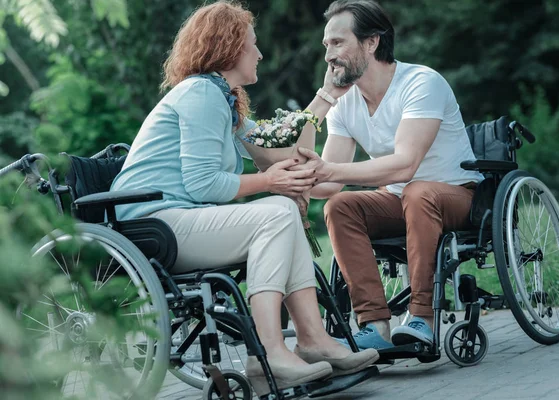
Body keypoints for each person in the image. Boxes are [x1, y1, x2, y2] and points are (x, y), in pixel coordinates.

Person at [109, 1, 378, 396]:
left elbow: (281, 154)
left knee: (282, 209)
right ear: (231, 47)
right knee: (276, 213)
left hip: (180, 220)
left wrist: (328, 95)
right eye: (253, 44)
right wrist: (270, 181)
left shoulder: (222, 99)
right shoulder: (200, 94)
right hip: (155, 224)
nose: (260, 53)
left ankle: (313, 339)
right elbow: (203, 184)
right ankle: (267, 353)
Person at [294, 0, 484, 350]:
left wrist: (327, 169)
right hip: (399, 199)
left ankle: (421, 318)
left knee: (418, 191)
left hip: (456, 195)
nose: (328, 56)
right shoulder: (345, 103)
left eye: (338, 43)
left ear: (371, 42)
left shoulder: (421, 83)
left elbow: (405, 164)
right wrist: (323, 100)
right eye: (326, 46)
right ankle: (375, 326)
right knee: (340, 207)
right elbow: (326, 184)